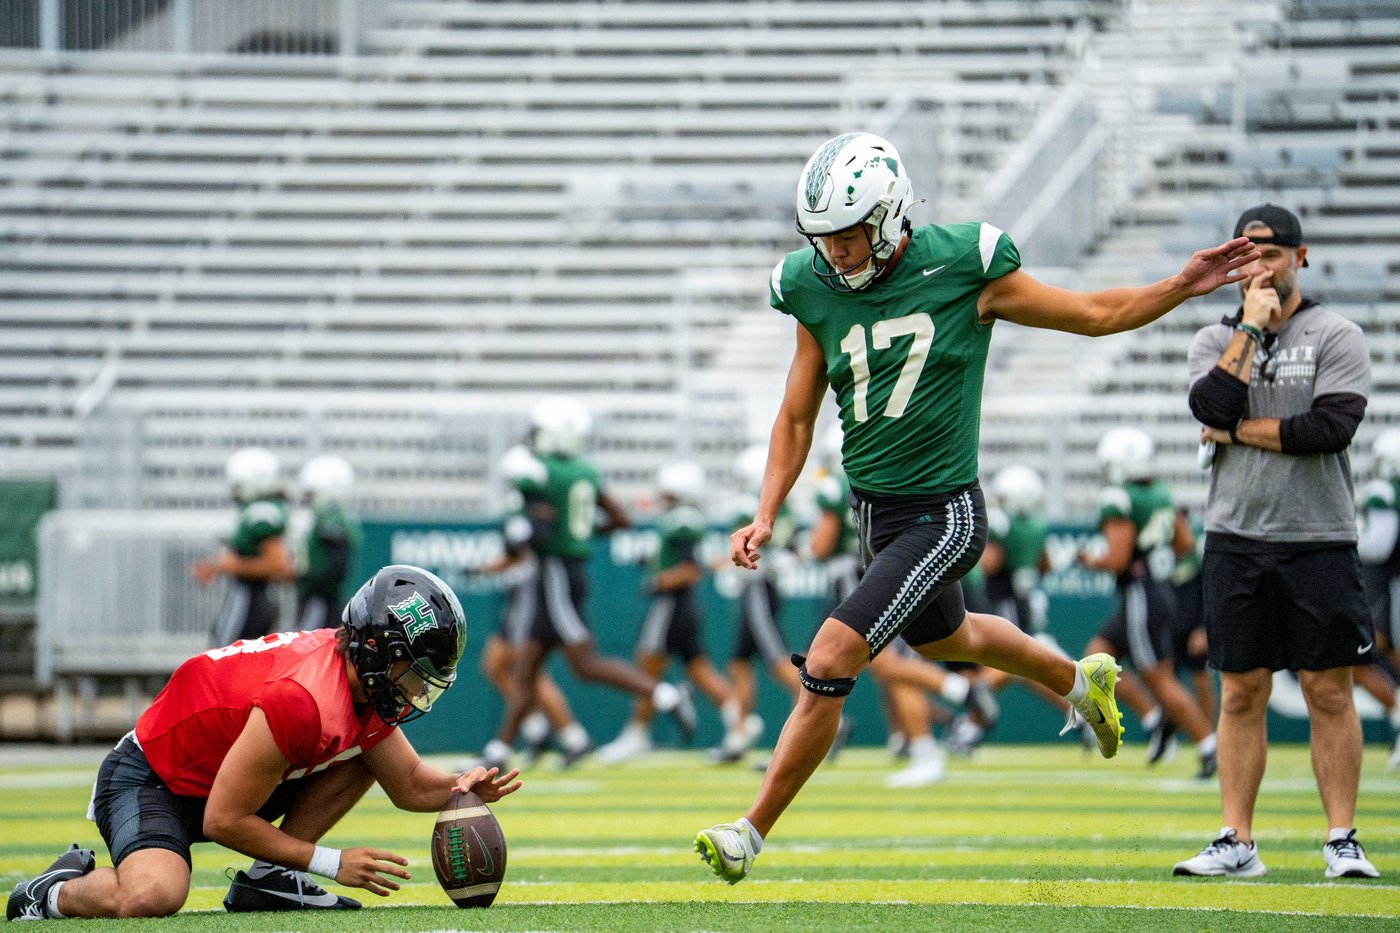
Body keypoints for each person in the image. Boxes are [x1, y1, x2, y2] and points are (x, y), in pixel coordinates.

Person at [692, 131, 1259, 884]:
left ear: (892, 215)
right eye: (824, 240)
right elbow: (798, 414)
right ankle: (1073, 678)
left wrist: (1179, 285)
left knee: (830, 656)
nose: (837, 254)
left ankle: (749, 831)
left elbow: (1090, 311)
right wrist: (767, 510)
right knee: (952, 637)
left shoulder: (966, 264)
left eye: (851, 235)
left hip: (945, 510)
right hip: (878, 515)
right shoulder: (811, 285)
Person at [4, 565, 522, 920]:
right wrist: (331, 862)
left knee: (367, 753)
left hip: (225, 778)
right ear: (374, 648)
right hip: (154, 778)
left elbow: (407, 783)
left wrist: (461, 785)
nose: (414, 687)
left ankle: (268, 880)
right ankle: (48, 894)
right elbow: (223, 821)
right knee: (153, 894)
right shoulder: (303, 696)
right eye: (412, 670)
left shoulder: (360, 684)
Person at [1175, 203, 1379, 879]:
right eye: (1248, 254)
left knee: (1328, 687)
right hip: (1236, 536)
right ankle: (1237, 838)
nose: (1260, 265)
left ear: (1300, 255)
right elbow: (1210, 407)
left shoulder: (1335, 333)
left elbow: (1328, 429)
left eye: (1272, 252)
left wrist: (1237, 432)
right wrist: (1253, 330)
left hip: (1319, 534)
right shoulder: (1216, 339)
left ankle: (1342, 837)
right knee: (1239, 692)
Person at [480, 397, 696, 772]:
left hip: (556, 576)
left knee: (584, 663)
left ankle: (665, 694)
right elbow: (619, 519)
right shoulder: (585, 472)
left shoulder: (543, 471)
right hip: (568, 571)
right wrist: (581, 532)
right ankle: (500, 750)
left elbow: (536, 529)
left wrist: (549, 534)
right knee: (526, 668)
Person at [1077, 427, 1218, 778]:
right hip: (1157, 590)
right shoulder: (1160, 493)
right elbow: (1184, 543)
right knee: (1096, 660)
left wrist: (1091, 559)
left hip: (1141, 595)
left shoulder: (1120, 499)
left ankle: (1208, 744)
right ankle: (1156, 720)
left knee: (1160, 678)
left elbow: (1118, 559)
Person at [598, 460, 742, 763]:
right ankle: (738, 726)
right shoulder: (685, 518)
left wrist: (659, 581)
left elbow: (690, 569)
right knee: (699, 671)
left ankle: (637, 732)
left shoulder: (682, 520)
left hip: (672, 604)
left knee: (647, 667)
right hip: (685, 604)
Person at [475, 475, 593, 768]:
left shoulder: (536, 508)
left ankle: (569, 736)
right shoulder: (526, 507)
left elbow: (522, 552)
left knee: (528, 672)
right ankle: (542, 731)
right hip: (523, 594)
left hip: (530, 595)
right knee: (506, 667)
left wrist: (488, 567)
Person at [194, 447, 297, 645]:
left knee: (222, 656)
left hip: (250, 599)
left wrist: (224, 566)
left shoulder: (262, 512)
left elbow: (278, 565)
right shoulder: (266, 509)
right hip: (256, 599)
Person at [1354, 429, 1400, 771]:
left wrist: (1348, 533)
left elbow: (1376, 546)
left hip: (1387, 587)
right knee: (1358, 662)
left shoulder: (1383, 491)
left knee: (1360, 660)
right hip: (1385, 588)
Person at [294, 454, 363, 631]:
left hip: (321, 602)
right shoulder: (335, 517)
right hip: (323, 601)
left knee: (304, 650)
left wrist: (301, 577)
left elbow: (335, 568)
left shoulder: (332, 519)